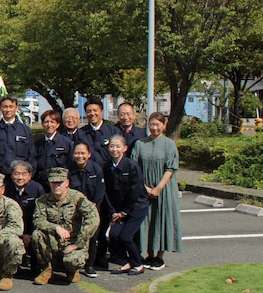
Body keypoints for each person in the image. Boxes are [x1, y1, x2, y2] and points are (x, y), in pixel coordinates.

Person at [31, 168, 99, 285]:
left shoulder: (78, 198)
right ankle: (46, 269)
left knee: (72, 261)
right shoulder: (42, 201)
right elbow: (38, 220)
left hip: (73, 241)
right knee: (36, 235)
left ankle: (72, 270)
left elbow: (93, 218)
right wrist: (55, 228)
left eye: (60, 183)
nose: (56, 186)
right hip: (53, 240)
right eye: (53, 183)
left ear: (67, 183)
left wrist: (78, 243)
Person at [133, 112, 181, 271]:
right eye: (151, 124)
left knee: (161, 220)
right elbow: (135, 168)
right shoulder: (140, 143)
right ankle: (149, 254)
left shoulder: (169, 144)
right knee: (147, 221)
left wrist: (159, 187)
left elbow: (171, 168)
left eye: (157, 124)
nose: (154, 127)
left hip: (164, 189)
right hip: (145, 189)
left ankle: (159, 256)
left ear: (164, 125)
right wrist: (145, 188)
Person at [104, 135, 149, 275]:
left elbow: (135, 191)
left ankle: (138, 264)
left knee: (126, 237)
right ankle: (126, 262)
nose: (114, 149)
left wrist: (124, 212)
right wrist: (113, 211)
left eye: (118, 146)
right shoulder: (107, 166)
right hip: (119, 209)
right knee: (115, 235)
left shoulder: (132, 166)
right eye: (111, 146)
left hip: (136, 207)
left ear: (125, 148)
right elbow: (107, 192)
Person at [69, 141, 106, 277]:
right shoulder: (70, 169)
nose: (80, 156)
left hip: (92, 209)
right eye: (77, 153)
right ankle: (74, 263)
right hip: (74, 210)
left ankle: (89, 265)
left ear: (89, 154)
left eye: (83, 153)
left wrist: (92, 209)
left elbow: (100, 192)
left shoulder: (96, 169)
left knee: (92, 237)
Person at [6, 160, 45, 273]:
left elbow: (41, 215)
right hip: (12, 228)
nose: (20, 177)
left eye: (24, 174)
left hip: (31, 227)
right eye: (16, 173)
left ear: (30, 176)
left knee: (38, 236)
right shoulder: (6, 188)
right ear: (11, 175)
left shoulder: (38, 189)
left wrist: (28, 233)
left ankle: (37, 265)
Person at [0, 95, 35, 176]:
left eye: (11, 107)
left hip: (19, 176)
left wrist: (29, 175)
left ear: (16, 108)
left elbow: (31, 155)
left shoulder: (25, 130)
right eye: (5, 107)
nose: (8, 110)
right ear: (0, 108)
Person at [75, 97, 119, 167]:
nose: (92, 114)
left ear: (101, 111)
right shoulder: (80, 133)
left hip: (109, 173)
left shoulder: (113, 131)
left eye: (95, 110)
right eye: (89, 111)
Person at [34, 109, 73, 183]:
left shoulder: (66, 143)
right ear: (42, 124)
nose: (49, 125)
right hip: (41, 183)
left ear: (58, 124)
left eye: (52, 122)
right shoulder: (37, 144)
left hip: (59, 183)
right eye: (46, 122)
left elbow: (70, 165)